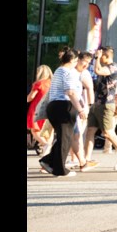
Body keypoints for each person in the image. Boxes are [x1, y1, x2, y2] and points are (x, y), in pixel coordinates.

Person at [38, 49, 91, 177]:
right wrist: (80, 109)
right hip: (63, 106)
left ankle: (48, 161)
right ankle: (60, 169)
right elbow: (70, 92)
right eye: (77, 60)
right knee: (65, 139)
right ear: (73, 60)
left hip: (55, 107)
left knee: (64, 138)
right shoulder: (67, 72)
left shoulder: (58, 70)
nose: (77, 63)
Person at [84, 47, 117, 162]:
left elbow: (98, 71)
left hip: (106, 104)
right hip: (96, 104)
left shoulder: (113, 67)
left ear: (106, 56)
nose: (98, 58)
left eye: (101, 56)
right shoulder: (103, 66)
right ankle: (86, 159)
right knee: (90, 131)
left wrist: (96, 58)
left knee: (108, 133)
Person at [27, 64, 53, 155]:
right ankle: (48, 152)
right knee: (49, 131)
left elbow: (31, 97)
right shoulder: (52, 83)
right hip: (50, 109)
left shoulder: (38, 84)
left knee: (34, 131)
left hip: (36, 109)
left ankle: (46, 145)